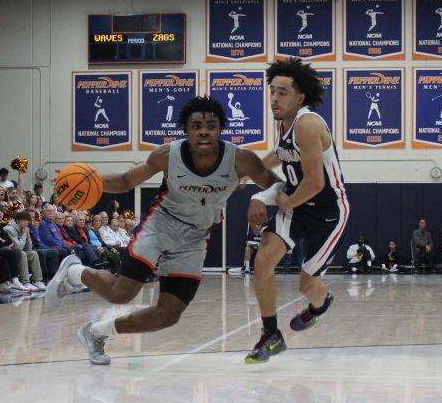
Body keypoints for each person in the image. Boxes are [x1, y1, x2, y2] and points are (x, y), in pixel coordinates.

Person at [47, 95, 281, 366]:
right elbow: (125, 181)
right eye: (196, 125)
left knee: (168, 314)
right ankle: (74, 271)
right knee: (122, 292)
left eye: (211, 125)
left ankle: (96, 332)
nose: (204, 130)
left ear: (220, 129)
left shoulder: (241, 159)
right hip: (161, 225)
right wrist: (83, 181)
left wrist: (259, 198)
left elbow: (276, 184)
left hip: (195, 237)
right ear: (186, 130)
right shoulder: (167, 155)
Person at [245, 58, 349, 364]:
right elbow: (281, 153)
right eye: (272, 92)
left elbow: (316, 182)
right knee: (262, 261)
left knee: (307, 285)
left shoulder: (308, 124)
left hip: (328, 213)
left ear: (300, 97)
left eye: (283, 93)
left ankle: (321, 304)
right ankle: (271, 335)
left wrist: (285, 201)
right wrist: (251, 172)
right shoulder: (285, 123)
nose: (275, 98)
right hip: (297, 207)